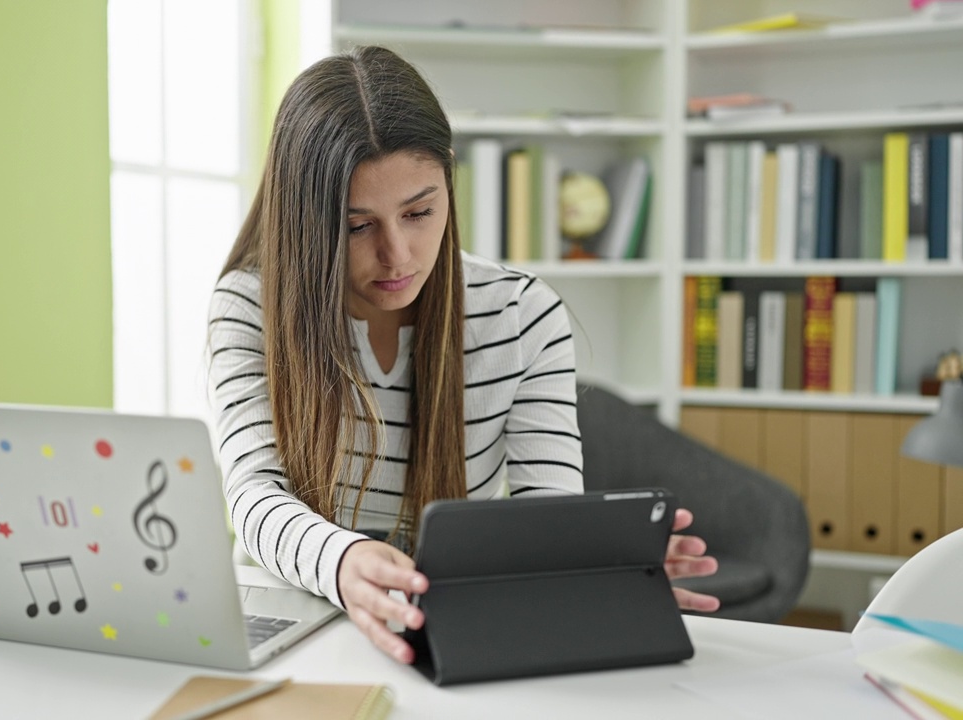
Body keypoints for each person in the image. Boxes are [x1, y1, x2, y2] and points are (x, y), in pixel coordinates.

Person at [207, 45, 718, 665]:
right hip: (290, 625)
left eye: (419, 212)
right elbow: (254, 498)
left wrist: (588, 562)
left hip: (446, 631)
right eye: (357, 225)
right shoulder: (248, 306)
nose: (398, 255)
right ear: (305, 219)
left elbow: (546, 516)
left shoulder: (524, 316)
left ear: (450, 180)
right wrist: (343, 562)